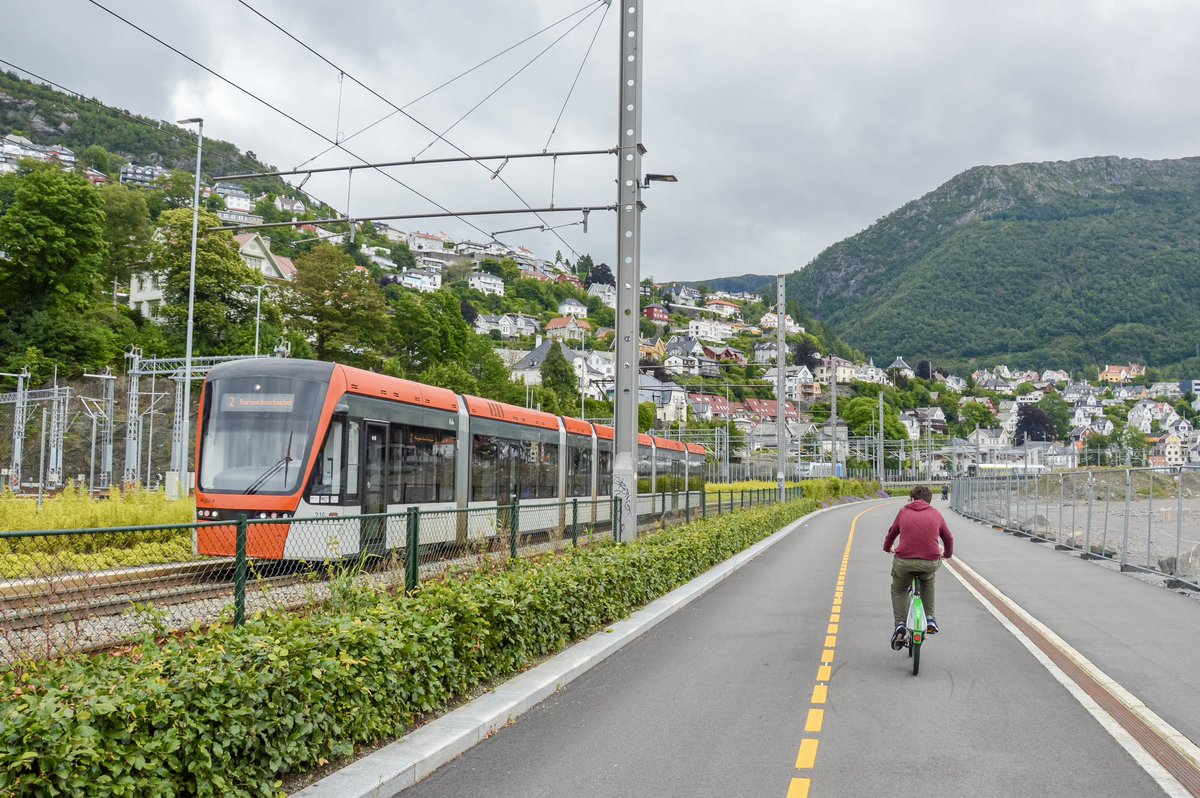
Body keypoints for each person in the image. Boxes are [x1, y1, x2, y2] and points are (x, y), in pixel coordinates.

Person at [883, 485, 954, 650]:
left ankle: (900, 624)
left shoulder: (904, 512)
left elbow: (892, 533)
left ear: (912, 499)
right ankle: (930, 618)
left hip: (904, 562)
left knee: (899, 589)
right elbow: (948, 538)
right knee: (928, 580)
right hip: (929, 562)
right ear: (929, 501)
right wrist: (947, 554)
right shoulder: (936, 514)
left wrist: (888, 548)